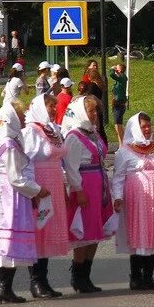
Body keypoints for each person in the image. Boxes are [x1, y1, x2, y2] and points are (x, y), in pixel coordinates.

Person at [0, 101, 51, 304]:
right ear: (11, 118)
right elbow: (15, 178)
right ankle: (2, 287)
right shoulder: (10, 145)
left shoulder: (3, 140)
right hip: (9, 195)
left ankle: (3, 286)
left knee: (8, 241)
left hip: (2, 192)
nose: (23, 118)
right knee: (9, 240)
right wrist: (37, 190)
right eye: (20, 115)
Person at [112, 113, 154, 290]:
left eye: (149, 126)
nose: (148, 129)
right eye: (143, 127)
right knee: (139, 234)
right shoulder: (125, 151)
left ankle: (148, 276)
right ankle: (135, 277)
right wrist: (117, 197)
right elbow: (118, 177)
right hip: (137, 200)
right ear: (135, 128)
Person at [62, 95, 114, 293]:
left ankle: (86, 275)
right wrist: (79, 191)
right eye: (90, 111)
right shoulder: (74, 137)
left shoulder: (93, 133)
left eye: (95, 111)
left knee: (95, 231)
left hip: (99, 184)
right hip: (85, 185)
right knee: (83, 232)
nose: (94, 115)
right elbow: (71, 168)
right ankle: (77, 275)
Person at [21, 94, 68, 298]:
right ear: (40, 107)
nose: (54, 109)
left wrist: (64, 185)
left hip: (54, 184)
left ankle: (44, 280)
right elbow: (26, 161)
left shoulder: (53, 130)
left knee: (48, 230)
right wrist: (33, 190)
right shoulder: (31, 132)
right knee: (38, 231)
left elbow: (60, 160)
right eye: (50, 106)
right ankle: (36, 281)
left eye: (55, 106)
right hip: (40, 184)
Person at [108, 64, 128, 145]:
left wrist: (112, 68)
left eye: (117, 67)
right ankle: (121, 144)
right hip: (116, 103)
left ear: (120, 70)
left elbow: (111, 74)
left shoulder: (122, 77)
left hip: (119, 103)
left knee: (118, 125)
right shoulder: (119, 79)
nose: (116, 68)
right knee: (118, 125)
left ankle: (122, 144)